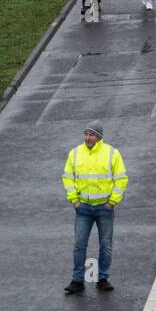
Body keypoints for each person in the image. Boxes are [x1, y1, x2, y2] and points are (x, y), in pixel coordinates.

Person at [62, 123, 129, 294]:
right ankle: (77, 281)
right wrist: (74, 201)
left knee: (105, 245)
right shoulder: (75, 153)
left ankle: (102, 279)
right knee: (79, 245)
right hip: (83, 207)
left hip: (104, 208)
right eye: (85, 134)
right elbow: (67, 178)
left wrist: (112, 202)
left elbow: (121, 179)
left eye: (91, 135)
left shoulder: (112, 153)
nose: (87, 138)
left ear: (99, 136)